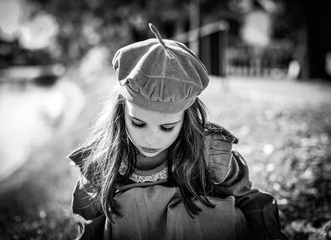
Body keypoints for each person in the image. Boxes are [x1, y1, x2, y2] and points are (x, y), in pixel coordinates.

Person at [69, 23, 287, 240]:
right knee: (128, 206)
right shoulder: (104, 160)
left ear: (186, 117)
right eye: (138, 123)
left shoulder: (208, 152)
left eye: (167, 127)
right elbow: (90, 223)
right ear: (121, 113)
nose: (151, 139)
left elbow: (248, 200)